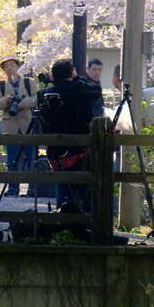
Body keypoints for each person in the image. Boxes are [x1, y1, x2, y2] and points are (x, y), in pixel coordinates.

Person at [39, 58, 102, 213]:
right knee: (81, 190)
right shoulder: (80, 89)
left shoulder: (45, 94)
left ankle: (62, 222)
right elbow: (96, 90)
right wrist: (78, 78)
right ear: (72, 72)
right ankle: (80, 226)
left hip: (56, 150)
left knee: (62, 187)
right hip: (79, 148)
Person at [0, 55, 36, 196]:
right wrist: (6, 100)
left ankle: (32, 190)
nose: (10, 68)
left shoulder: (29, 82)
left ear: (18, 66)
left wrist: (25, 103)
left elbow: (37, 99)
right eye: (6, 66)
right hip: (11, 126)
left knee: (31, 159)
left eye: (12, 65)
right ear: (4, 69)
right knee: (12, 160)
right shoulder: (2, 85)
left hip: (27, 125)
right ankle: (13, 189)